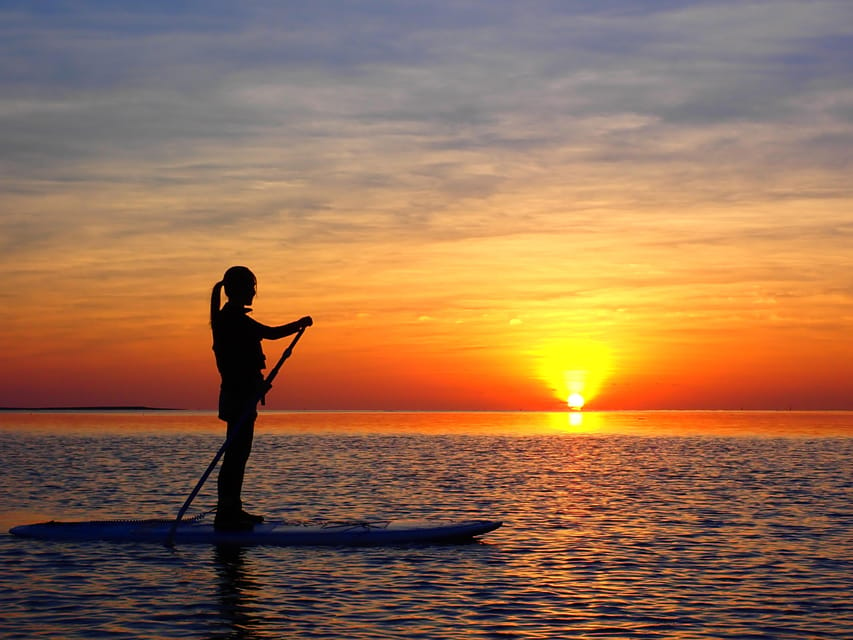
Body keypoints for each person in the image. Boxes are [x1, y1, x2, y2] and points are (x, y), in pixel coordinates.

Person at [210, 266, 312, 531]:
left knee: (238, 455)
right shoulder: (233, 319)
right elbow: (271, 334)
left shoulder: (231, 318)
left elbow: (266, 336)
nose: (253, 293)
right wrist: (299, 324)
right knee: (235, 456)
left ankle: (232, 509)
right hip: (238, 398)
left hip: (241, 397)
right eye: (250, 287)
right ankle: (227, 514)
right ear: (239, 289)